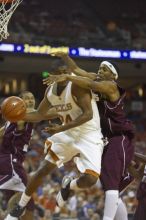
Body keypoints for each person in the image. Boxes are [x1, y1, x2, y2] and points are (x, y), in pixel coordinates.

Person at [43, 52, 135, 220]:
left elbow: (88, 82)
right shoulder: (96, 78)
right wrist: (65, 58)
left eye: (105, 69)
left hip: (118, 136)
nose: (101, 71)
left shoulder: (110, 86)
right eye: (100, 67)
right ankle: (69, 185)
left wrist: (67, 77)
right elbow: (77, 70)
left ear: (113, 75)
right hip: (102, 137)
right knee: (109, 184)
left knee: (111, 185)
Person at [5, 65, 104, 219]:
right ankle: (21, 205)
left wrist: (60, 128)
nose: (65, 74)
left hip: (88, 134)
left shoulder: (77, 85)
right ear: (53, 75)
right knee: (43, 170)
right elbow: (39, 114)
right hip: (67, 133)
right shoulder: (50, 91)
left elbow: (88, 115)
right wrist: (17, 116)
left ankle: (68, 185)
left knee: (90, 180)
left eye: (67, 72)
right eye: (61, 72)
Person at [0, 91, 36, 220]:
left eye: (32, 98)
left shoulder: (12, 118)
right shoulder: (24, 114)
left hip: (9, 160)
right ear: (19, 102)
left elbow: (1, 133)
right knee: (28, 200)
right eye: (26, 99)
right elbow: (42, 114)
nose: (30, 101)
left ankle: (7, 216)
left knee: (17, 201)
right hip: (11, 160)